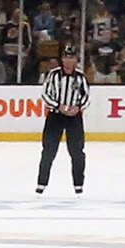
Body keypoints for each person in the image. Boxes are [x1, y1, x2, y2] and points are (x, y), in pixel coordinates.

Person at [37, 48, 88, 192]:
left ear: (76, 60)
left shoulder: (80, 76)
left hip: (74, 118)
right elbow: (45, 94)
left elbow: (86, 96)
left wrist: (78, 107)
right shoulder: (53, 75)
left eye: (72, 58)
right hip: (55, 116)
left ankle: (79, 184)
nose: (68, 61)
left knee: (77, 151)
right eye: (66, 57)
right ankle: (41, 183)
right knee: (48, 150)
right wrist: (58, 106)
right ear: (62, 59)